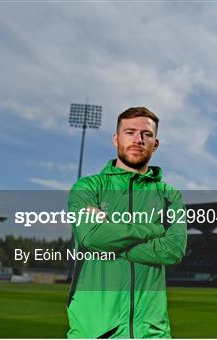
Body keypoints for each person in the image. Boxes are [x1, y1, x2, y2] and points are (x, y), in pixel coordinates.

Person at [67, 107, 187, 338]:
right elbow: (90, 237)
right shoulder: (88, 188)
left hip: (152, 334)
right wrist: (153, 228)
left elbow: (172, 251)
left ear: (156, 143)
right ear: (116, 139)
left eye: (146, 134)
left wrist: (109, 237)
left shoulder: (170, 195)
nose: (138, 139)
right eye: (130, 132)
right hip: (94, 332)